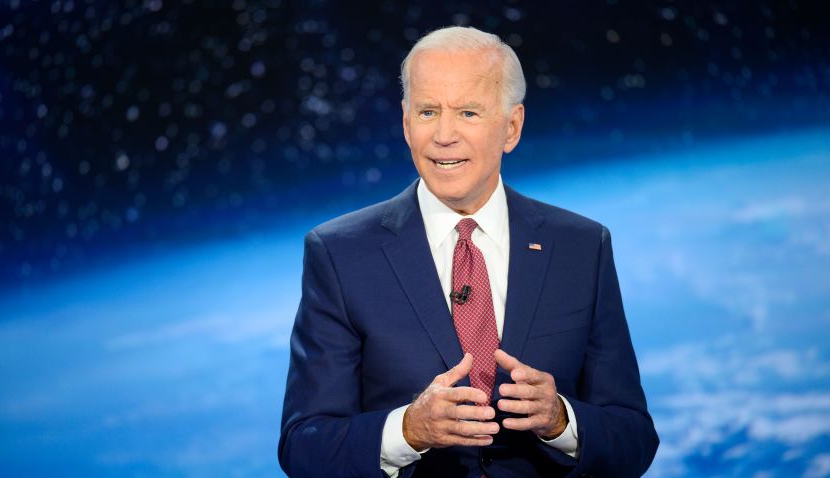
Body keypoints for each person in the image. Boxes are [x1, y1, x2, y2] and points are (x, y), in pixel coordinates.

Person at [279, 26, 658, 478]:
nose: (443, 135)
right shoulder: (339, 254)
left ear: (511, 127)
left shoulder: (581, 247)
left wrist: (560, 420)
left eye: (467, 113)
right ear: (405, 123)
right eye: (427, 112)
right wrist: (409, 431)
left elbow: (634, 439)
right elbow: (304, 448)